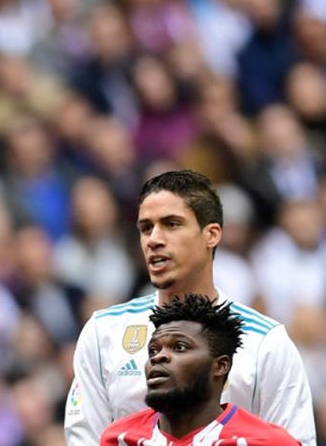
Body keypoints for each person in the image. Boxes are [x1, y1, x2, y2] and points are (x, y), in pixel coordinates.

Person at [64, 169, 315, 445]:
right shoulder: (104, 332)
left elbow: (295, 440)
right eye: (146, 228)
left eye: (171, 224)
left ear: (212, 234)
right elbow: (85, 439)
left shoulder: (265, 341)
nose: (154, 239)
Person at [100, 294, 300, 446]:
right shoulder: (118, 438)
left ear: (220, 366)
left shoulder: (266, 442)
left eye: (179, 347)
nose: (158, 357)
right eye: (153, 350)